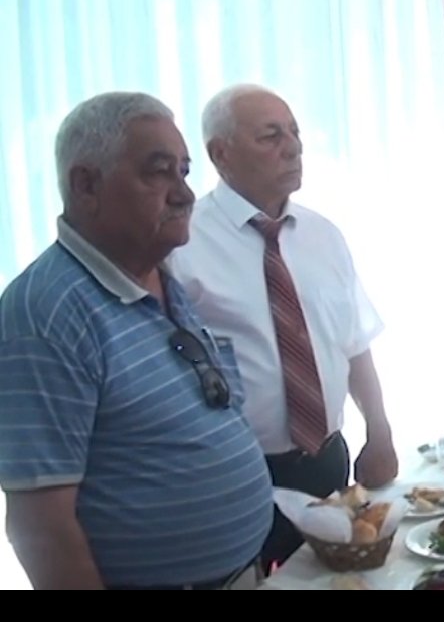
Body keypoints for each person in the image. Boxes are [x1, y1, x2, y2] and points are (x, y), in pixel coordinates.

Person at [0, 92, 273, 590]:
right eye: (159, 172)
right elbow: (42, 529)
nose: (185, 194)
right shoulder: (45, 313)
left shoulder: (156, 273)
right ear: (86, 185)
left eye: (184, 172)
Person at [166, 83, 398, 576]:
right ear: (220, 153)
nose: (293, 147)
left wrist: (379, 431)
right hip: (238, 475)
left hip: (325, 460)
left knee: (338, 579)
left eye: (294, 132)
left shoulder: (322, 235)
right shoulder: (182, 245)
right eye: (271, 136)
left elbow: (353, 344)